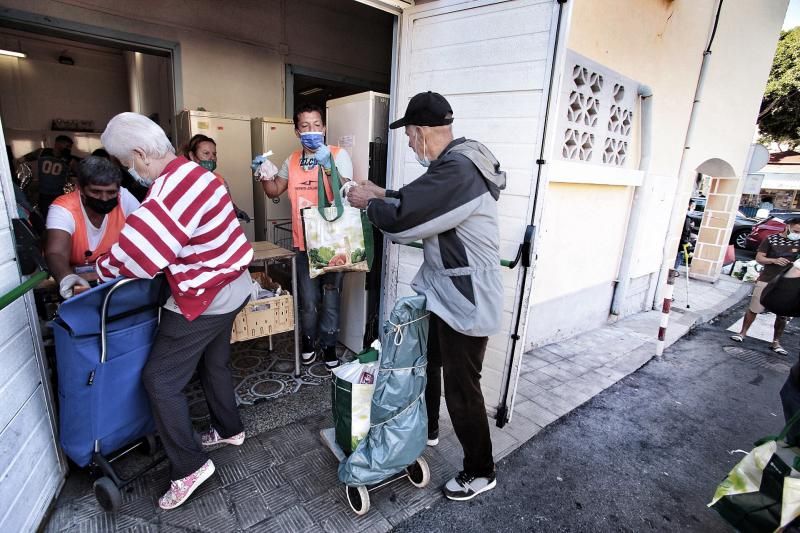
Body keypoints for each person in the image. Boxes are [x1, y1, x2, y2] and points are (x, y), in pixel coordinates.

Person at [347, 91, 505, 501]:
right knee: (428, 363)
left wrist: (370, 203)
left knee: (463, 386)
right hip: (445, 294)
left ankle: (480, 469)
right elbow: (418, 198)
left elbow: (407, 220)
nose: (411, 145)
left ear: (419, 132)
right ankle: (428, 428)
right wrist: (383, 193)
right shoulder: (454, 164)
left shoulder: (458, 170)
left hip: (465, 300)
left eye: (410, 137)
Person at [95, 112, 254, 510]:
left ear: (138, 155)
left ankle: (188, 467)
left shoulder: (171, 188)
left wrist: (96, 271)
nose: (128, 172)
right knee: (214, 362)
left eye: (125, 163)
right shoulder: (199, 175)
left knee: (160, 380)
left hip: (206, 297)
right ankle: (229, 429)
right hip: (235, 287)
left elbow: (141, 254)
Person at [255, 103, 354, 369]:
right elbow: (274, 190)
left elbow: (348, 193)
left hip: (332, 243)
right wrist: (264, 173)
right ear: (297, 132)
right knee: (309, 302)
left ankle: (329, 346)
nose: (312, 131)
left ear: (324, 128)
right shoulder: (292, 160)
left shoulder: (338, 154)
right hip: (302, 244)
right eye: (305, 126)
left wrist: (329, 166)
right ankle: (309, 341)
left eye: (317, 125)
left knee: (331, 300)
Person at [45, 156, 140, 298]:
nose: (104, 198)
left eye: (111, 192)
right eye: (95, 192)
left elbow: (146, 235)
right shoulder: (63, 208)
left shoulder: (124, 198)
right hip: (78, 281)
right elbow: (55, 252)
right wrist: (67, 278)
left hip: (113, 280)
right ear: (80, 189)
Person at [730, 217, 800, 355]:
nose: (797, 234)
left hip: (787, 284)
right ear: (787, 226)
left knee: (782, 315)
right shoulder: (771, 239)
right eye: (796, 230)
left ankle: (776, 342)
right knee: (754, 307)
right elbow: (759, 258)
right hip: (767, 279)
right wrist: (774, 260)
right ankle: (742, 333)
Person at [183, 134, 251, 222]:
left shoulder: (219, 179)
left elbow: (227, 201)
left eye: (214, 154)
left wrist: (236, 210)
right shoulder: (185, 180)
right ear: (192, 156)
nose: (212, 158)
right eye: (206, 153)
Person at [20, 135, 76, 216]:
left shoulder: (69, 159)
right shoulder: (42, 152)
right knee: (42, 213)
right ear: (58, 144)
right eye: (67, 146)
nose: (69, 149)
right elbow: (22, 159)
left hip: (57, 193)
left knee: (55, 214)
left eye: (70, 147)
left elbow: (78, 171)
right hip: (42, 192)